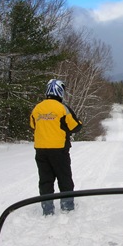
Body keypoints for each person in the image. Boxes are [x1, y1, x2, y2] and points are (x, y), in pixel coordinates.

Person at [30, 79, 82, 215]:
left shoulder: (37, 108)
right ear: (60, 92)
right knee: (64, 178)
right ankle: (67, 206)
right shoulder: (62, 108)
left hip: (41, 150)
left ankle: (47, 209)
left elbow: (32, 125)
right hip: (59, 150)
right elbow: (76, 126)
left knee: (45, 180)